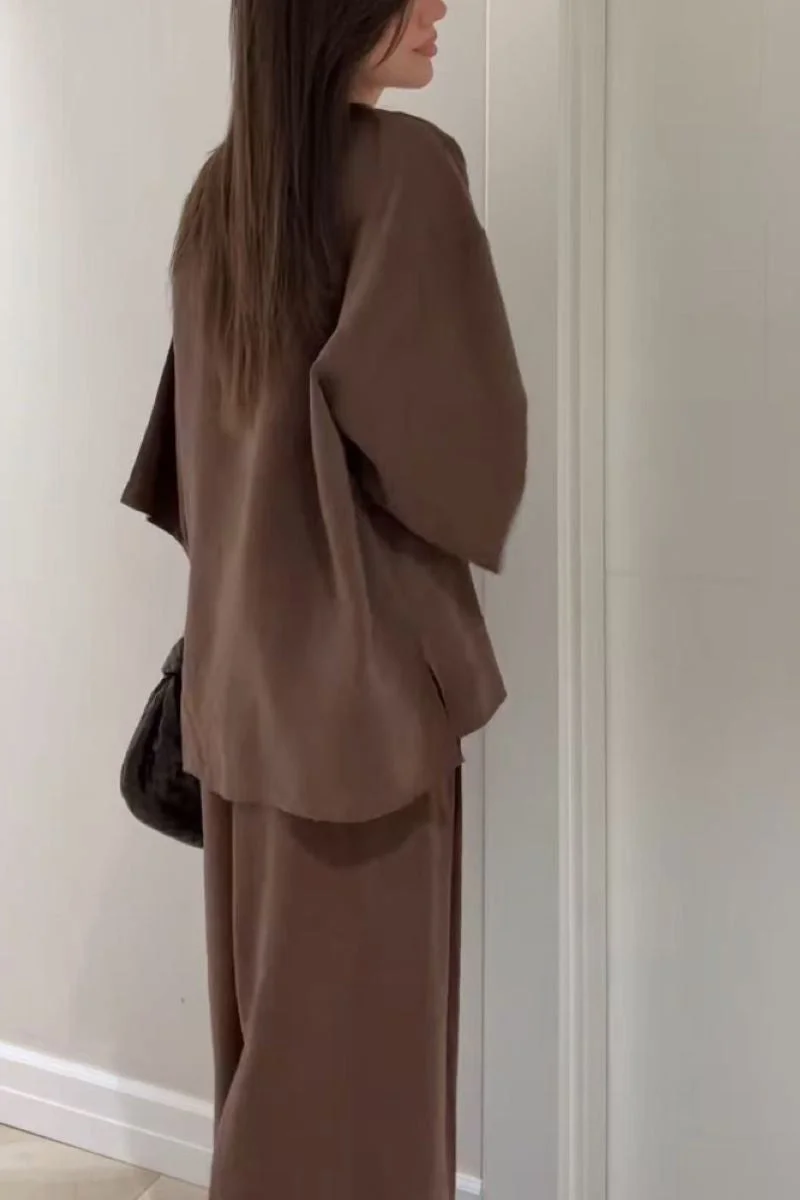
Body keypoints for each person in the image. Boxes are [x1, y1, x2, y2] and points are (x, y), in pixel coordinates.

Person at [122, 1, 527, 1197]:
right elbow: (459, 455)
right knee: (367, 1092)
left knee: (278, 1058)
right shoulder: (405, 172)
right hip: (360, 717)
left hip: (239, 699)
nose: (439, 7)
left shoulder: (221, 197)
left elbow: (193, 470)